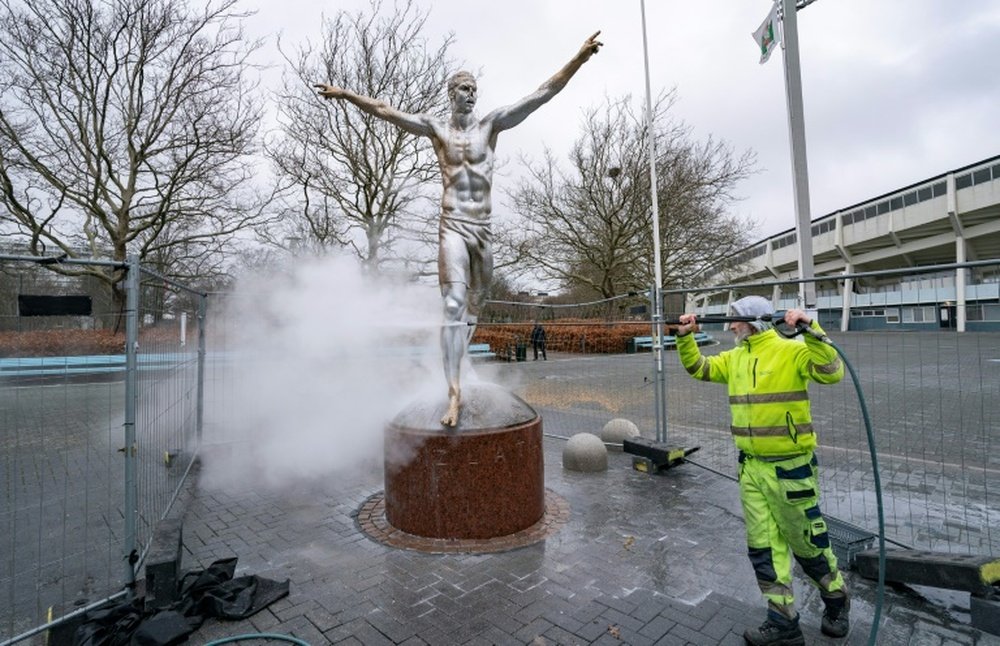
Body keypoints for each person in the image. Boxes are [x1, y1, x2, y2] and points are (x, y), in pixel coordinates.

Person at [316, 32, 603, 427]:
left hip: (482, 230)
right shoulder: (437, 130)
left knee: (474, 308)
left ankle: (458, 363)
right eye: (464, 89)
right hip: (452, 224)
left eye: (474, 89)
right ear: (451, 93)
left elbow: (542, 94)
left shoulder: (491, 126)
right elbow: (384, 110)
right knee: (452, 306)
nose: (471, 94)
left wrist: (579, 58)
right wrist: (346, 94)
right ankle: (453, 393)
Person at [675, 296, 850, 646]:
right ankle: (782, 621)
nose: (730, 327)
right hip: (750, 470)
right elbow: (700, 369)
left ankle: (836, 598)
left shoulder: (792, 351)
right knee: (764, 549)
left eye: (734, 321)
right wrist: (685, 337)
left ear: (752, 322)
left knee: (807, 544)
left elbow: (832, 372)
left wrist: (811, 328)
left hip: (791, 471)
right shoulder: (735, 357)